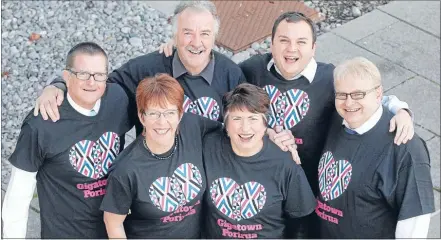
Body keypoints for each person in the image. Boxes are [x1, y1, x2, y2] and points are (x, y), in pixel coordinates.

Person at [158, 11, 415, 238]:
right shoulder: (252, 70)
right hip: (263, 180)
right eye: (284, 40)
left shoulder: (329, 78)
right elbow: (216, 72)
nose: (291, 49)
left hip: (316, 186)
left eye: (301, 42)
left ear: (314, 47)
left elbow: (362, 93)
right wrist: (180, 46)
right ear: (272, 44)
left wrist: (399, 109)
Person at [33, 1, 299, 162]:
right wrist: (58, 85)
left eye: (205, 34)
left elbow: (248, 117)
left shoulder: (230, 73)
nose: (196, 42)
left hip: (212, 173)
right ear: (174, 33)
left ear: (215, 37)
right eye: (187, 33)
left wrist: (273, 133)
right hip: (156, 175)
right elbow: (97, 83)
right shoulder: (148, 68)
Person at [1, 42, 133, 238]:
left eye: (99, 75)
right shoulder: (42, 124)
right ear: (67, 77)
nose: (91, 82)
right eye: (83, 74)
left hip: (113, 230)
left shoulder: (118, 99)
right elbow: (17, 198)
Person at [315, 57, 434, 238]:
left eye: (358, 95)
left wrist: (402, 111)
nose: (349, 103)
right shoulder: (337, 119)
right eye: (342, 95)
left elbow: (414, 226)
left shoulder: (406, 149)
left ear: (378, 94)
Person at [99, 73, 225, 238]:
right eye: (154, 113)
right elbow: (113, 222)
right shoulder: (126, 170)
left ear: (180, 114)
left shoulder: (192, 127)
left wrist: (264, 131)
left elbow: (228, 131)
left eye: (169, 113)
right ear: (142, 117)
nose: (162, 122)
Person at [202, 83, 316, 238]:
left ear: (265, 125)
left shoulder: (285, 164)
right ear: (226, 125)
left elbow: (300, 222)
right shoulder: (209, 147)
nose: (245, 128)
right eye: (237, 118)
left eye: (252, 118)